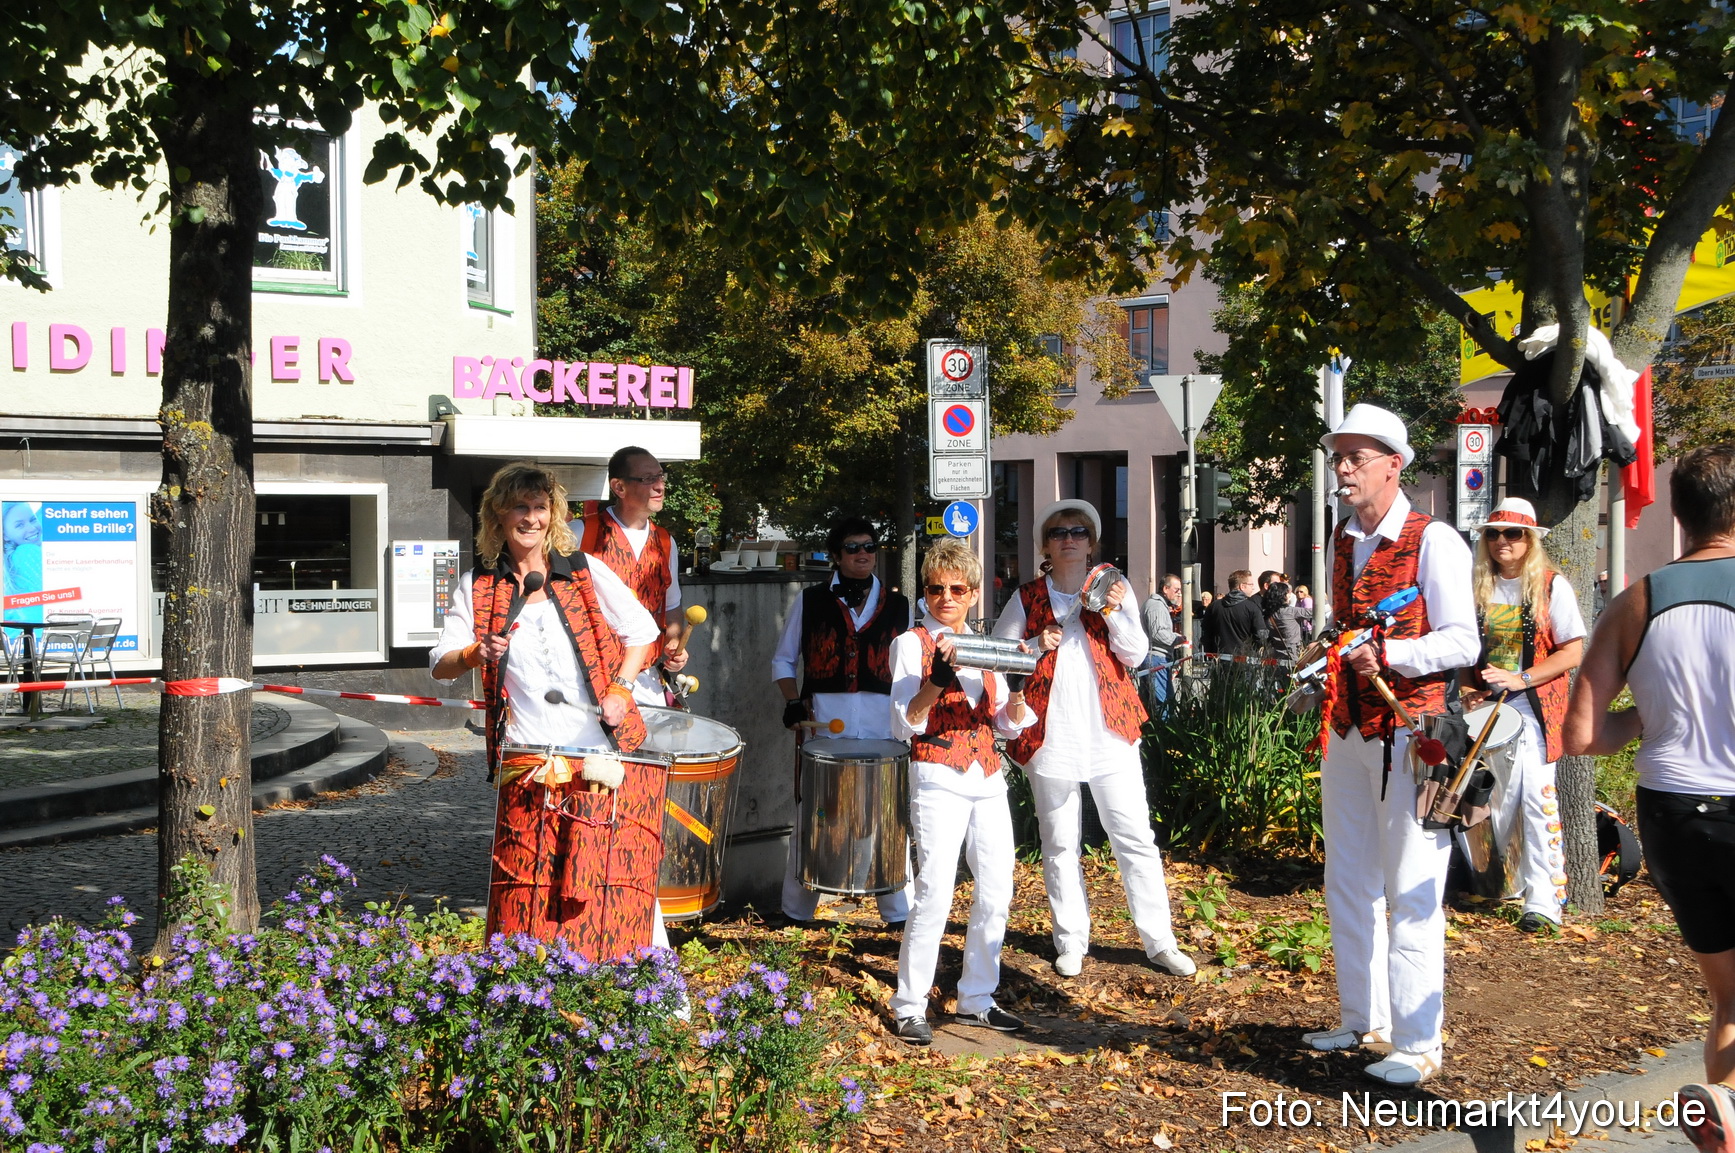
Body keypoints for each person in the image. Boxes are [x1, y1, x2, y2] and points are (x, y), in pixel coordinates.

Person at [1565, 444, 1735, 1150]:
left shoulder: (1635, 601)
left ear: (1677, 514)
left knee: (1728, 994)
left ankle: (1723, 1103)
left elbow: (1581, 733)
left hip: (1673, 813)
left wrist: (1645, 718)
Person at [1309, 404, 1478, 1086]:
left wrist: (1391, 653)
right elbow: (1344, 628)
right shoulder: (1338, 540)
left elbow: (1462, 640)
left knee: (1411, 886)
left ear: (1392, 464)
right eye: (1337, 456)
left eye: (1355, 456)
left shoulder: (1433, 539)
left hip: (1412, 735)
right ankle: (1363, 1017)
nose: (1342, 468)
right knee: (1344, 877)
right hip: (1347, 729)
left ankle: (1416, 1041)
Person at [431, 462, 663, 958]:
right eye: (520, 506)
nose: (531, 518)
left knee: (611, 875)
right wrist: (474, 653)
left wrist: (622, 688)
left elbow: (643, 631)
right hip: (529, 757)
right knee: (530, 880)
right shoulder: (479, 585)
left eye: (541, 507)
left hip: (599, 752)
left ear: (553, 514)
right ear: (498, 515)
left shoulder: (580, 570)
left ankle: (645, 986)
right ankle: (529, 989)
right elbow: (441, 665)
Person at [994, 499, 1195, 980]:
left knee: (1135, 837)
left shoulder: (1115, 591)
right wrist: (1031, 646)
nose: (1070, 538)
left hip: (1111, 733)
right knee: (1059, 841)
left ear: (1092, 543)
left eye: (1080, 531)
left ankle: (1159, 940)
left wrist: (1113, 611)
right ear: (1045, 544)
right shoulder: (1025, 598)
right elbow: (1002, 657)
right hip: (1051, 734)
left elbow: (1136, 653)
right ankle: (1071, 939)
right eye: (1060, 532)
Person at [889, 539, 1033, 1044]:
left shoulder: (988, 645)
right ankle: (909, 1003)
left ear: (973, 593)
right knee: (934, 890)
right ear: (924, 592)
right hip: (936, 771)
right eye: (935, 588)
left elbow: (1008, 725)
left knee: (997, 887)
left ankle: (977, 997)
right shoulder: (912, 643)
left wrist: (1016, 692)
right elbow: (906, 722)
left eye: (956, 588)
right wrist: (935, 682)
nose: (945, 597)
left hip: (987, 773)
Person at [771, 515, 913, 925]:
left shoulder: (900, 605)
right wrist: (793, 701)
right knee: (815, 813)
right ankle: (796, 912)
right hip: (824, 725)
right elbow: (783, 658)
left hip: (882, 727)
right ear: (836, 555)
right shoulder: (811, 600)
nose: (863, 554)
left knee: (888, 815)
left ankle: (898, 912)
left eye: (869, 547)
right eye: (852, 548)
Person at [1465, 497, 1584, 932]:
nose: (1502, 542)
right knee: (1489, 799)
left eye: (1512, 533)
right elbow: (1465, 650)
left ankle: (1545, 900)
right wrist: (1466, 686)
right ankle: (1498, 882)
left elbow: (1572, 651)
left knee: (1536, 796)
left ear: (1530, 539)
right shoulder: (1475, 585)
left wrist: (1523, 678)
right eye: (1493, 533)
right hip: (1485, 708)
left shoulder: (1553, 586)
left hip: (1534, 708)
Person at [575, 446, 688, 707]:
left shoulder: (665, 541)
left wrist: (674, 644)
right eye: (648, 479)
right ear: (619, 487)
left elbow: (670, 606)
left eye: (660, 477)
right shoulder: (580, 534)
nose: (659, 486)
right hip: (589, 678)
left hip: (646, 679)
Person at [1139, 573, 1187, 709]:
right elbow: (1158, 633)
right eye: (1176, 590)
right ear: (1165, 589)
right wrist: (1176, 639)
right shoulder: (1157, 606)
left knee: (1152, 702)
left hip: (1154, 657)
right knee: (1163, 702)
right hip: (1156, 658)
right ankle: (1164, 729)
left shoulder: (1157, 605)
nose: (1179, 594)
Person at [1202, 569, 1268, 656]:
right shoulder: (1252, 608)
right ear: (1242, 586)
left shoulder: (1214, 606)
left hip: (1218, 657)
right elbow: (1261, 636)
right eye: (1251, 584)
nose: (1253, 588)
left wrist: (1210, 654)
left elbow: (1206, 633)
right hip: (1244, 660)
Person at [1264, 580, 1302, 663]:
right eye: (1287, 593)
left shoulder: (1268, 613)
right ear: (1282, 595)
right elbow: (1314, 612)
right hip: (1292, 653)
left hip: (1275, 653)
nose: (1290, 596)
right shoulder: (1290, 611)